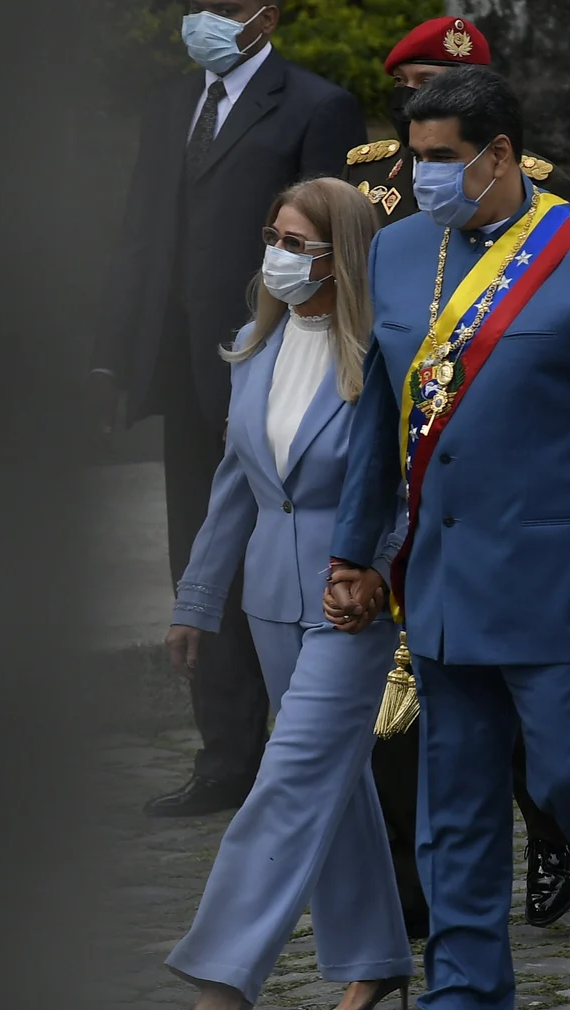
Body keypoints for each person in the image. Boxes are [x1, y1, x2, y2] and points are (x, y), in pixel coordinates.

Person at [325, 66, 570, 1010]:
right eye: (414, 155)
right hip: (438, 582)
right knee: (453, 814)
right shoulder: (396, 253)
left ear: (496, 155)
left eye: (441, 158)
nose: (423, 174)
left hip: (558, 578)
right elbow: (376, 420)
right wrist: (352, 552)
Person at [341, 12, 570, 941]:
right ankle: (417, 891)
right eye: (410, 97)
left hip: (497, 488)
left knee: (515, 702)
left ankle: (553, 823)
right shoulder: (369, 184)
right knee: (403, 705)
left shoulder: (540, 201)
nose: (425, 116)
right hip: (401, 468)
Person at [90, 1, 367, 820]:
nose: (203, 14)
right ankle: (226, 756)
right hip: (184, 371)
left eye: (224, 1)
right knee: (201, 559)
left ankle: (306, 743)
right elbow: (142, 232)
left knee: (285, 555)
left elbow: (338, 243)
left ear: (265, 14)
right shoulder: (171, 103)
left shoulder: (316, 105)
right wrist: (114, 352)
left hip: (280, 366)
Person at [162, 178, 411, 1010]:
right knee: (333, 787)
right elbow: (233, 490)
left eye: (295, 240)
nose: (275, 252)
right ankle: (377, 957)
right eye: (271, 234)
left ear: (338, 254)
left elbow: (407, 484)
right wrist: (197, 601)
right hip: (269, 596)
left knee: (291, 774)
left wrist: (376, 569)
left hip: (351, 605)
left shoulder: (384, 349)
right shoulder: (252, 346)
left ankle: (224, 978)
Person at [344, 17, 570, 228]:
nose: (408, 95)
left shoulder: (539, 185)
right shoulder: (366, 172)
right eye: (400, 80)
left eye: (427, 83)